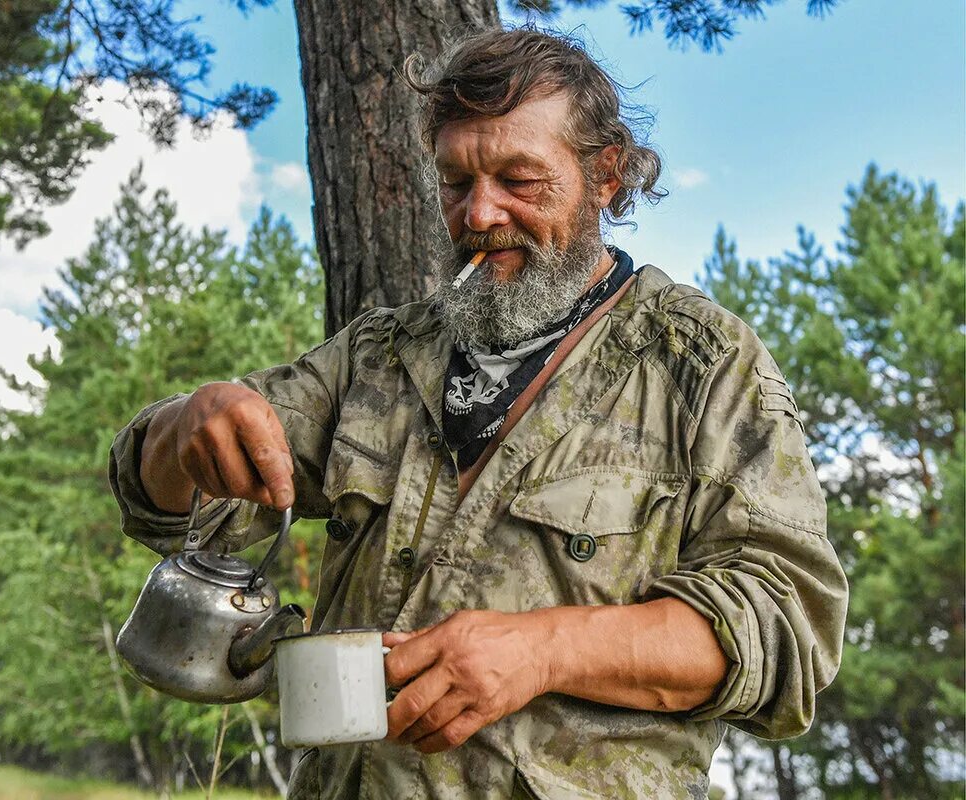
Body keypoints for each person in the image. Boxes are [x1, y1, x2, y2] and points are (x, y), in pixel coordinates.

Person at [108, 26, 848, 800]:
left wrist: (545, 651)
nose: (479, 213)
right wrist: (187, 424)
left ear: (606, 176)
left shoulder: (701, 363)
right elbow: (169, 506)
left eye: (518, 180)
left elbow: (787, 628)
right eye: (456, 181)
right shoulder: (381, 356)